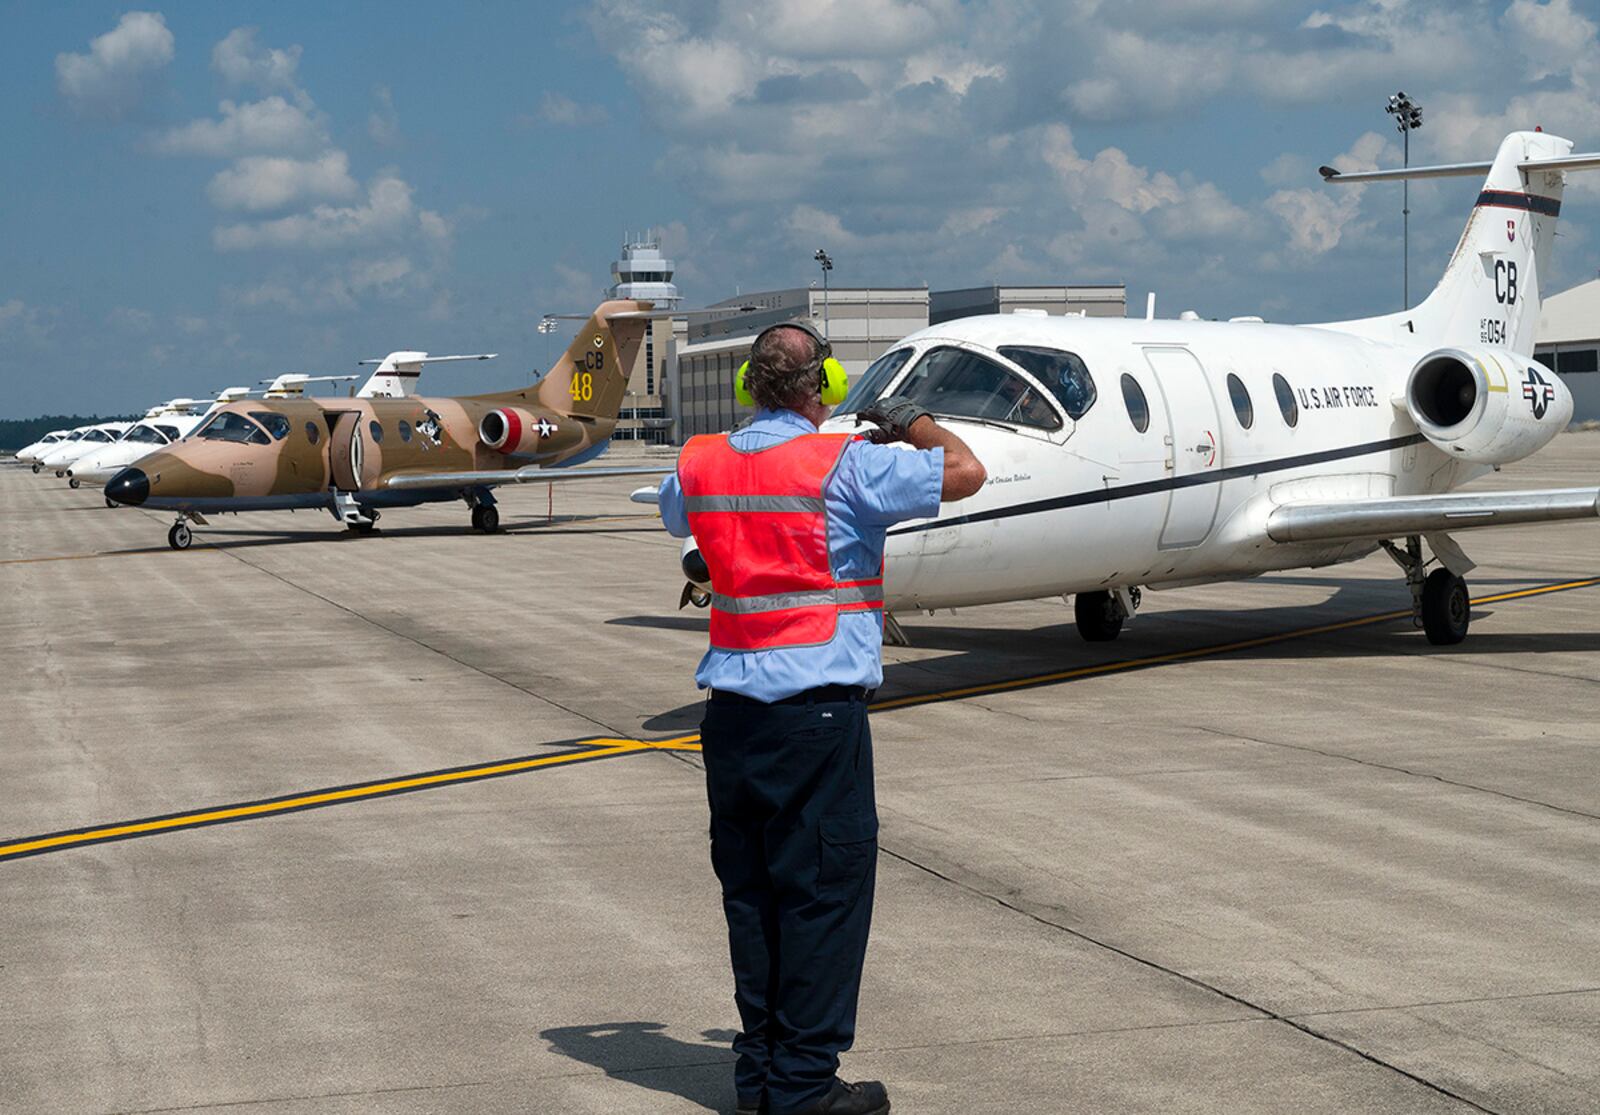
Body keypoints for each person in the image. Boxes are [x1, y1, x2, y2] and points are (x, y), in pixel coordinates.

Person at [658, 322, 985, 1115]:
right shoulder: (843, 462)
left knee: (755, 898)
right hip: (817, 718)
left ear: (747, 387)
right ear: (825, 385)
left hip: (731, 719)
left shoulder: (699, 462)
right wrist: (910, 420)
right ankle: (803, 1087)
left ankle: (761, 1077)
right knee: (822, 898)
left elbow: (681, 518)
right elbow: (967, 471)